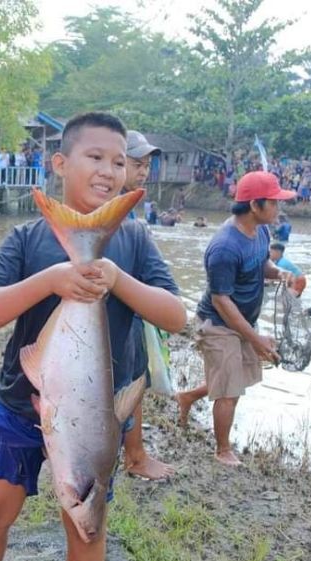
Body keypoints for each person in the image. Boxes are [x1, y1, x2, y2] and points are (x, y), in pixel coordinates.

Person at [0, 112, 187, 561]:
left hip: (93, 417)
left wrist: (116, 278)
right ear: (60, 163)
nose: (109, 171)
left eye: (119, 161)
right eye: (95, 158)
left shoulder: (133, 239)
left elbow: (176, 315)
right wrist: (52, 280)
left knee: (86, 524)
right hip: (25, 401)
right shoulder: (28, 238)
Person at [175, 172, 295, 466]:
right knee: (228, 391)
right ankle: (222, 450)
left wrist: (278, 272)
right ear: (255, 205)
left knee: (237, 379)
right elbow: (221, 300)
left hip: (242, 320)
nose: (279, 209)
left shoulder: (261, 231)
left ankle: (188, 396)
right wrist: (256, 340)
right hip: (218, 323)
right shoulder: (225, 247)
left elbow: (261, 263)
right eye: (275, 203)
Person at [121, 130, 177, 481]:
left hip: (134, 310)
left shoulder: (131, 212)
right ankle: (135, 456)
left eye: (146, 166)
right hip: (123, 314)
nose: (143, 172)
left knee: (133, 380)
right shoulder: (118, 213)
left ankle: (133, 452)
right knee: (132, 381)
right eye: (135, 164)